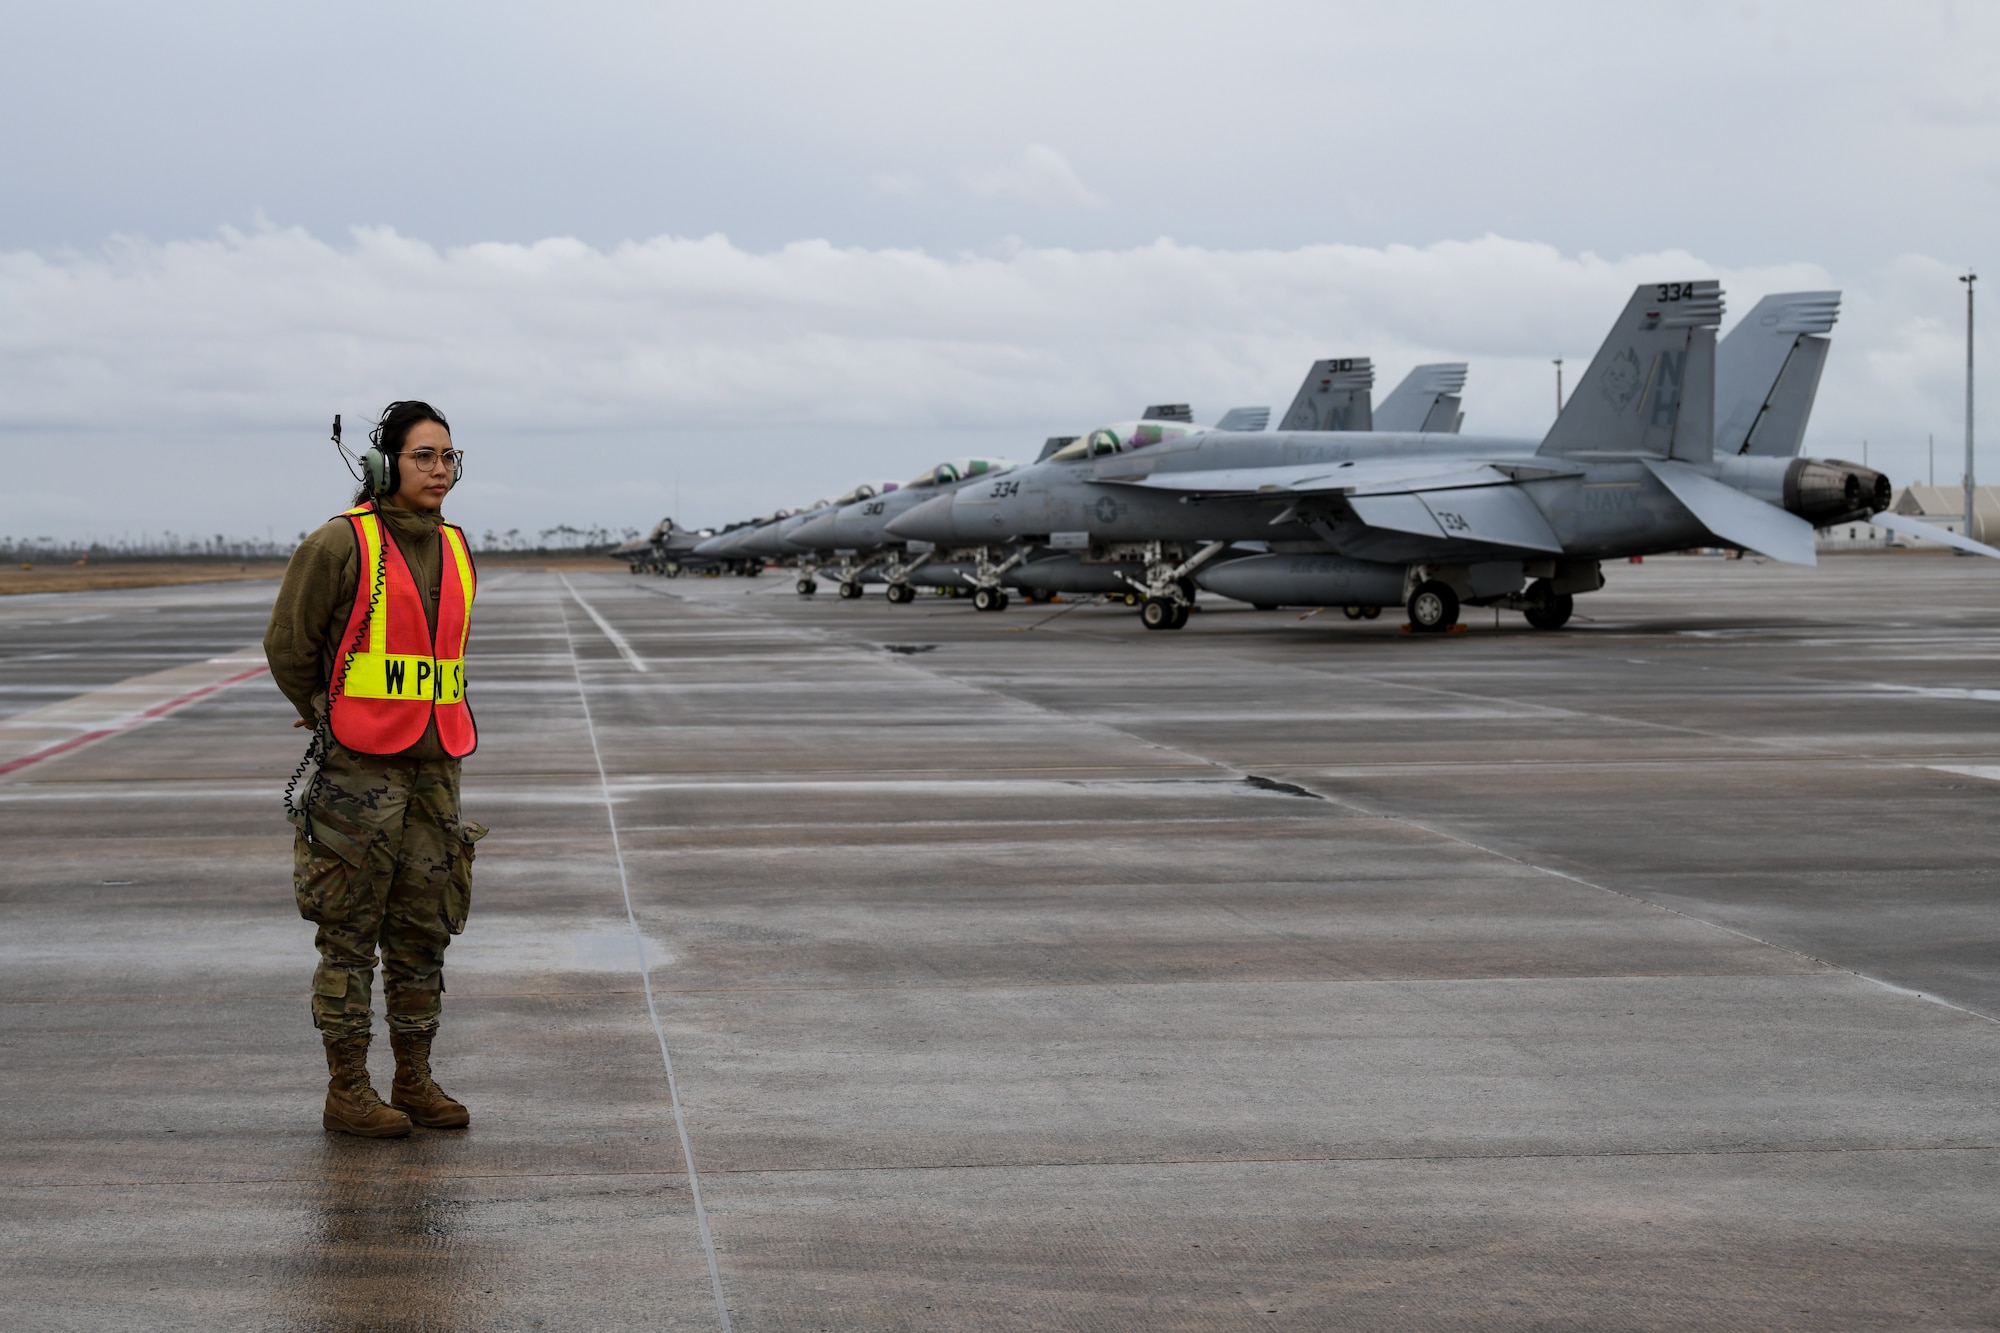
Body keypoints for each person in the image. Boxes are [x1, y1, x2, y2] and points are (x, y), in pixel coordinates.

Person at [265, 401, 485, 1138]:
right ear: (385, 465)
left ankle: (414, 1079)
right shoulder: (340, 544)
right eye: (424, 455)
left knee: (425, 930)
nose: (440, 469)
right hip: (357, 775)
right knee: (350, 932)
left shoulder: (455, 547)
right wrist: (322, 705)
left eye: (449, 456)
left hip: (434, 770)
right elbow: (289, 642)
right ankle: (349, 1089)